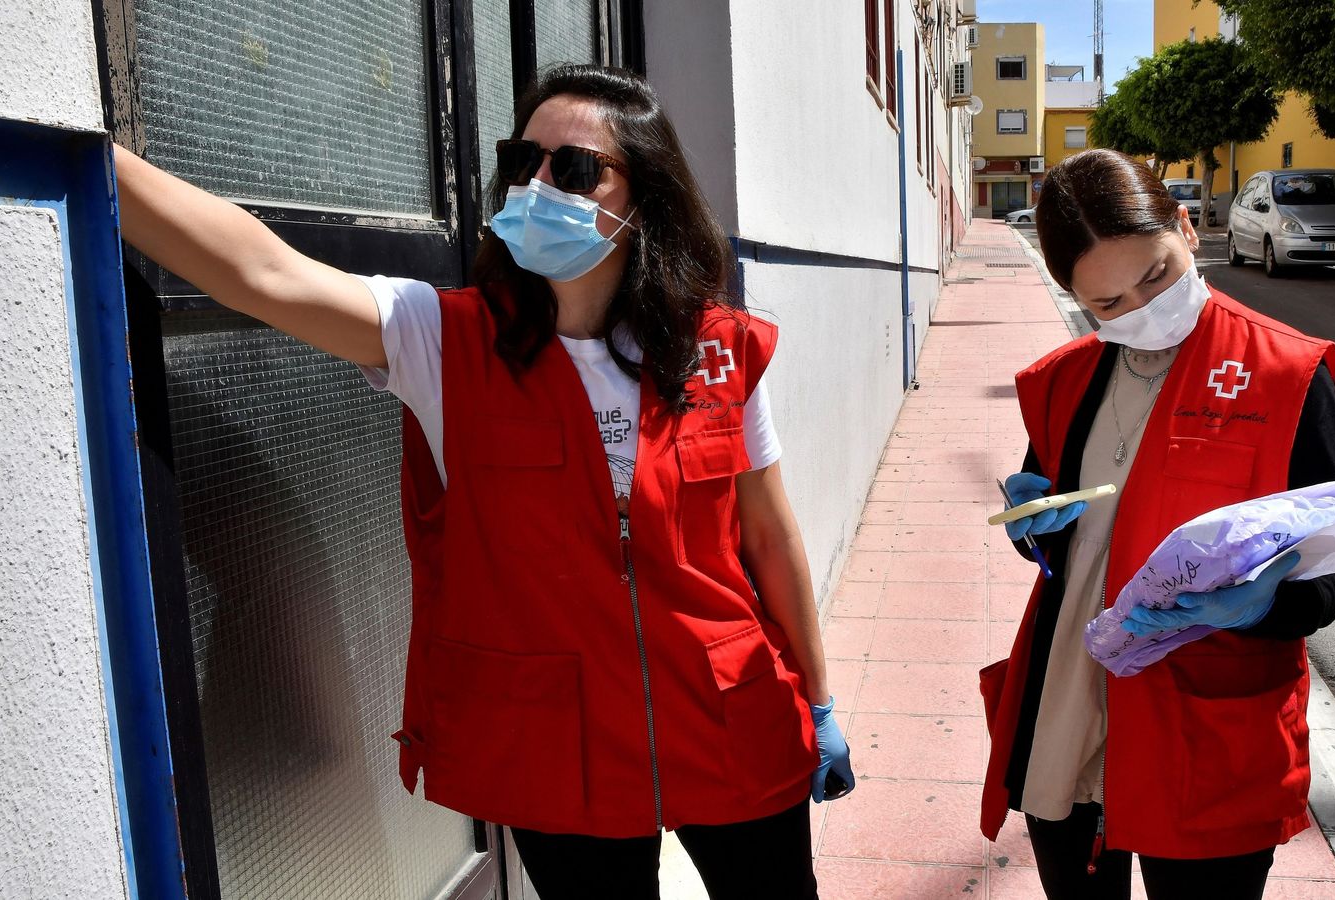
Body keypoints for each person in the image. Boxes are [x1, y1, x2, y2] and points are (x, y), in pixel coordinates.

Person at [113, 64, 852, 900]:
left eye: (573, 168)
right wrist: (95, 153)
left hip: (729, 710)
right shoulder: (445, 341)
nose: (538, 184)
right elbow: (264, 273)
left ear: (642, 196)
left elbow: (769, 535)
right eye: (522, 160)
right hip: (555, 748)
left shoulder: (712, 347)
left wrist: (817, 701)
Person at [978, 149, 1335, 900]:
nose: (1141, 309)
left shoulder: (1285, 374)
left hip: (1206, 725)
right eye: (1108, 304)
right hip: (1072, 707)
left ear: (1186, 227)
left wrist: (1262, 604)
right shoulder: (1063, 381)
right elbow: (1060, 531)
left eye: (1155, 275)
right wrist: (1035, 528)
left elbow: (1330, 573)